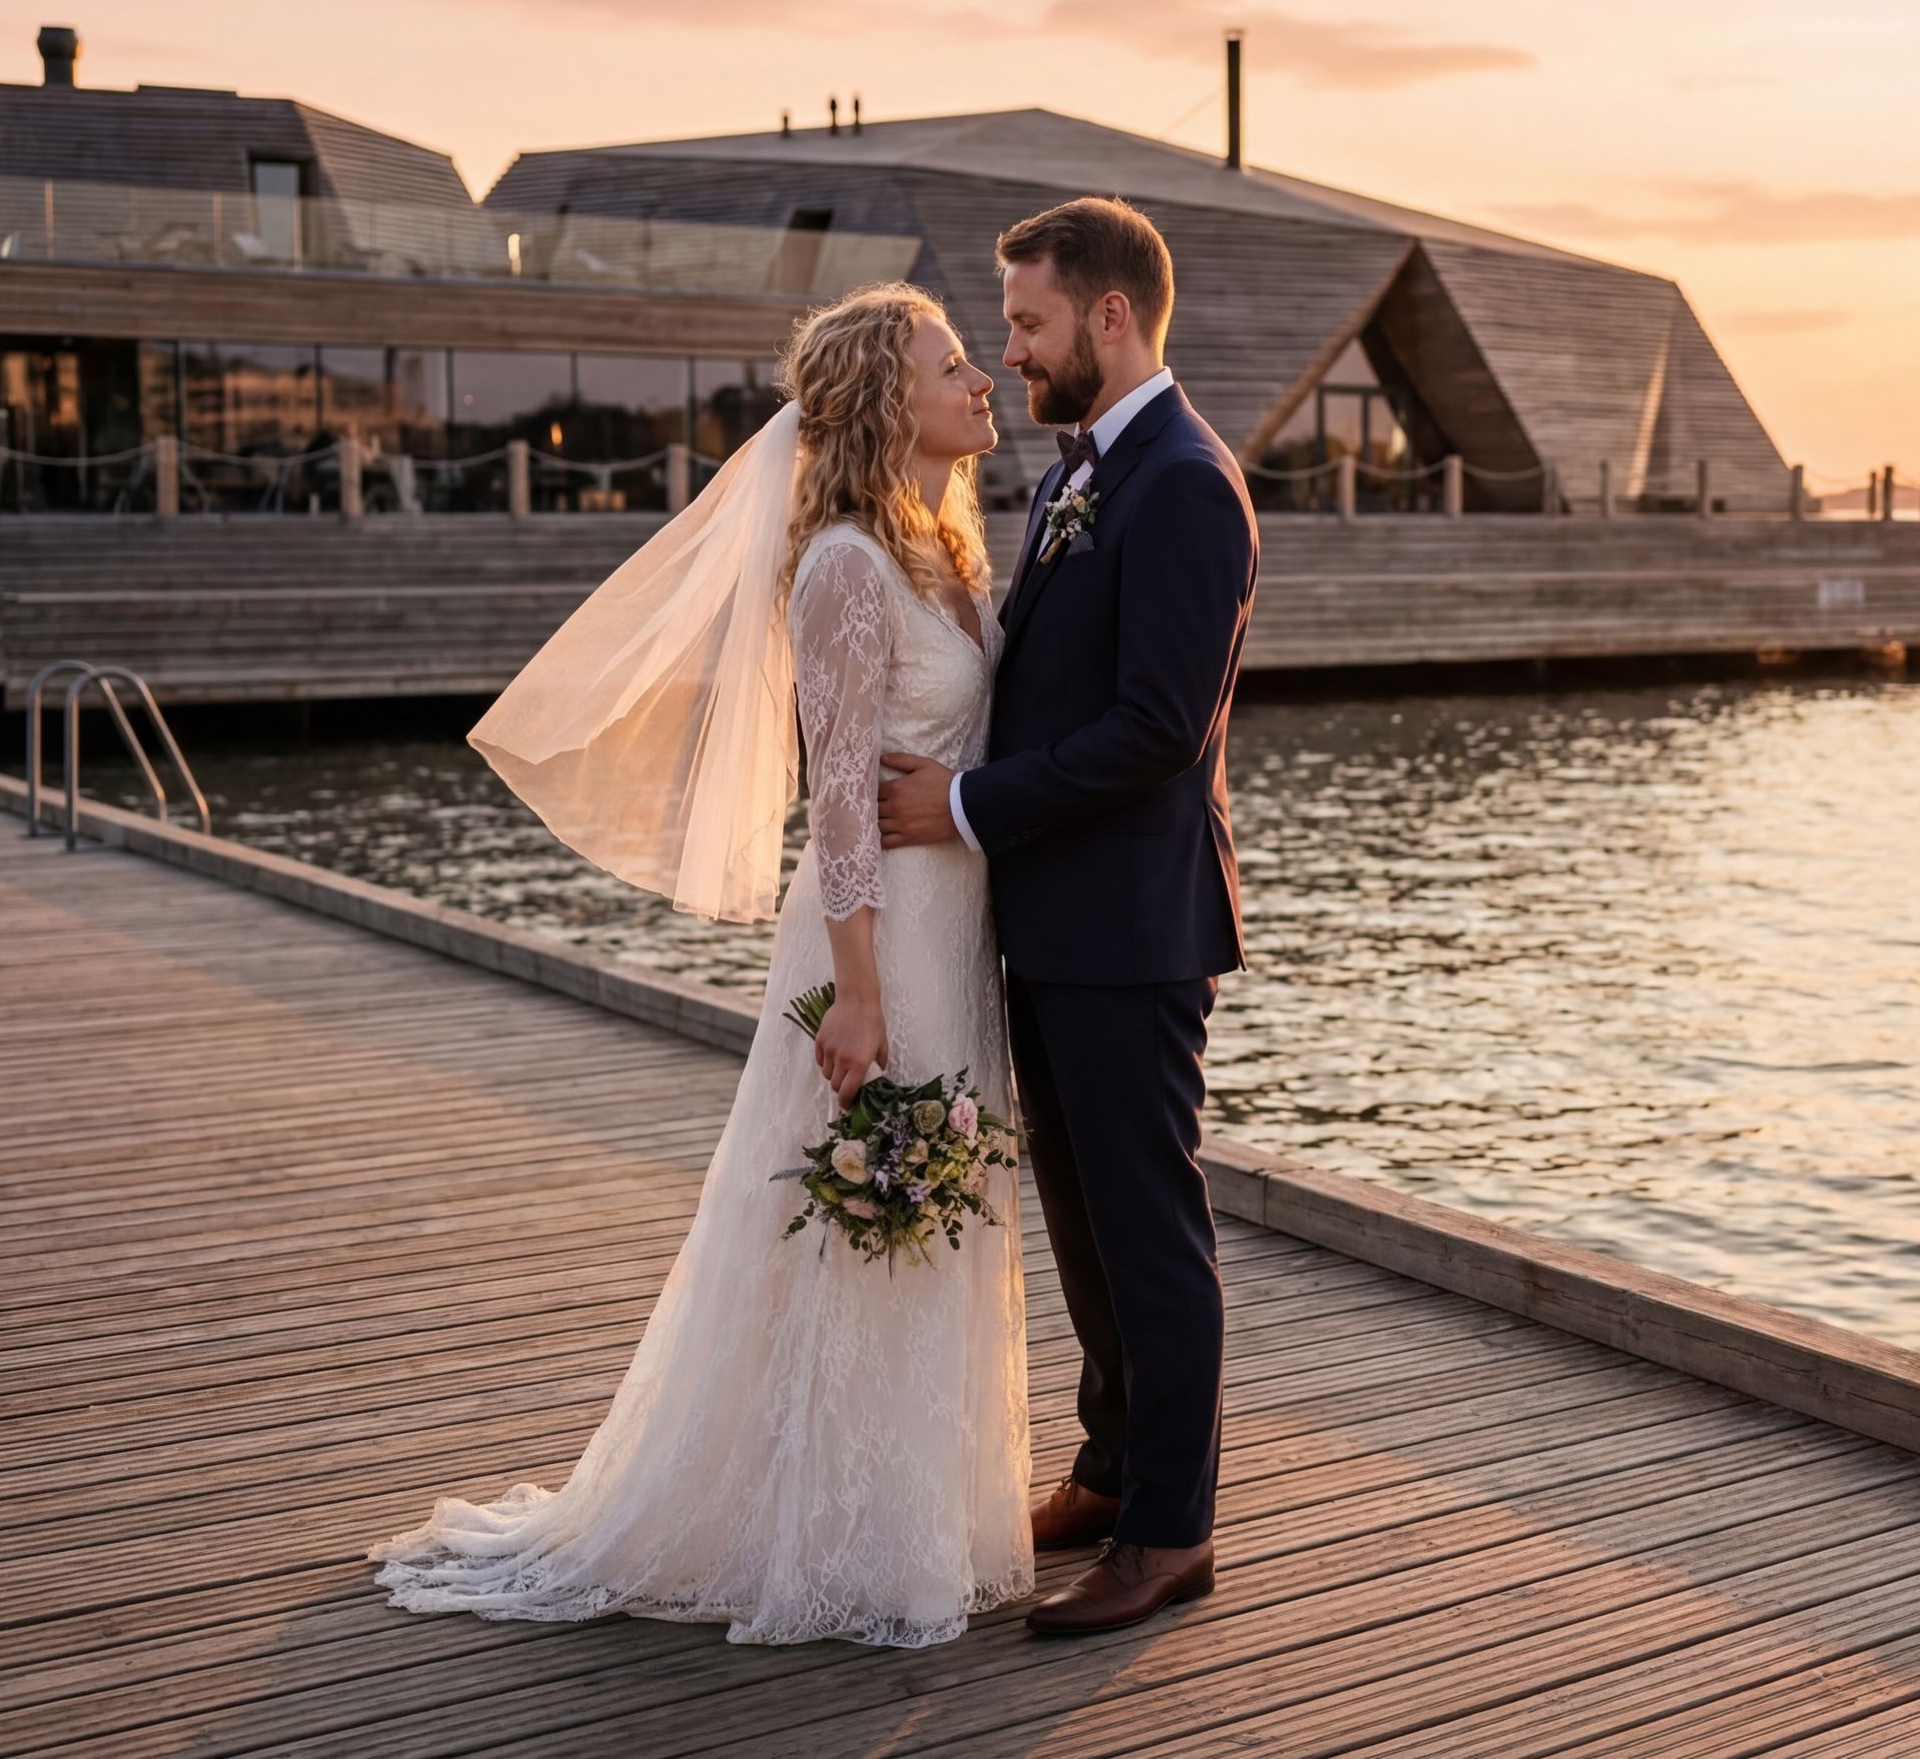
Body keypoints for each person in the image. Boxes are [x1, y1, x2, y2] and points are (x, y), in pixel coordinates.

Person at [370, 282, 1032, 1647]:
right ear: (880, 401)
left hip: (959, 929)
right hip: (882, 934)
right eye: (951, 361)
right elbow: (838, 794)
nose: (981, 379)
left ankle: (916, 1512)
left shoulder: (951, 552)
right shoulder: (845, 562)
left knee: (938, 1209)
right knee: (861, 1208)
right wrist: (856, 990)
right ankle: (824, 1530)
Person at [878, 196, 1258, 1635]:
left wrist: (967, 809)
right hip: (1054, 924)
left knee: (1151, 1229)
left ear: (1109, 315)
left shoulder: (1182, 483)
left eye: (1030, 324)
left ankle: (1174, 1528)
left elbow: (1160, 727)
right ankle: (1109, 1465)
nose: (1014, 354)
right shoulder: (1076, 475)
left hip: (1134, 927)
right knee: (1087, 1225)